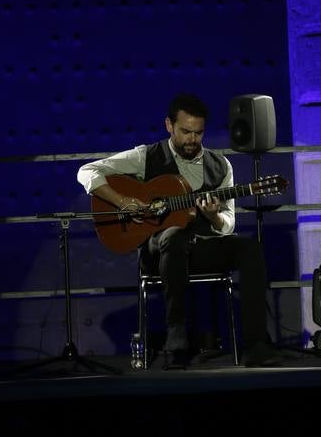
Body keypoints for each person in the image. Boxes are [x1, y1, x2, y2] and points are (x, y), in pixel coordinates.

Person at [77, 92, 281, 367]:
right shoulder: (145, 156)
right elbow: (88, 171)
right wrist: (123, 201)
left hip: (199, 249)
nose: (192, 140)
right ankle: (177, 337)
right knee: (173, 236)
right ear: (169, 126)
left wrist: (214, 218)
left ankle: (255, 345)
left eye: (198, 133)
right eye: (185, 131)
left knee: (249, 247)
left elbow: (228, 223)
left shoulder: (220, 166)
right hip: (158, 251)